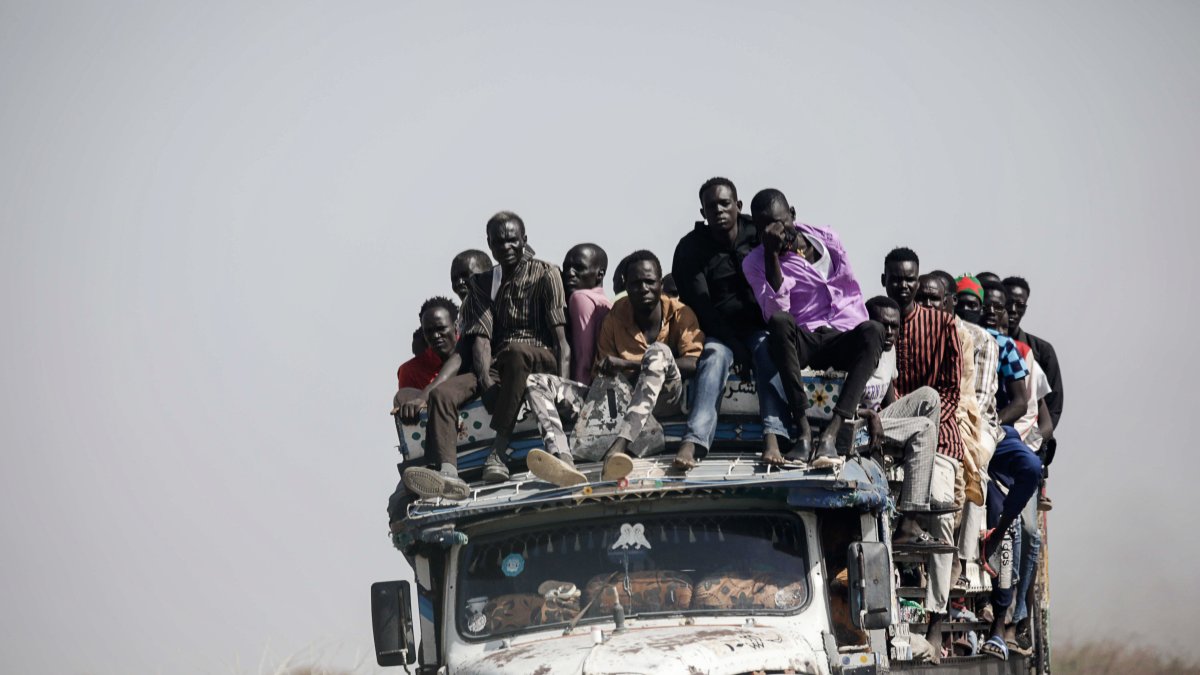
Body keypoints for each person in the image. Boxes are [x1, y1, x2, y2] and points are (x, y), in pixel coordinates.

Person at [402, 212, 569, 499]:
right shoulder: (483, 283)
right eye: (498, 242)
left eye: (512, 240)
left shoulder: (546, 273)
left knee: (517, 353)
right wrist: (486, 383)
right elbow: (480, 340)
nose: (506, 247)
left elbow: (562, 341)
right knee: (442, 394)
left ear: (524, 240)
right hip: (500, 363)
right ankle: (448, 473)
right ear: (489, 245)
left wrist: (564, 388)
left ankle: (498, 451)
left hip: (540, 358)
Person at [524, 251, 703, 486]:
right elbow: (602, 375)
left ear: (660, 283)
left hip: (663, 400)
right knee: (536, 381)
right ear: (625, 286)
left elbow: (693, 362)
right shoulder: (616, 315)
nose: (643, 288)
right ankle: (562, 459)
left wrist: (630, 364)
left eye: (649, 282)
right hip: (619, 402)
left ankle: (619, 448)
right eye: (635, 283)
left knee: (658, 352)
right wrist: (607, 369)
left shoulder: (680, 312)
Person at [742, 188, 882, 470]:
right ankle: (804, 431)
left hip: (842, 333)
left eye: (780, 223)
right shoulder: (755, 262)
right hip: (804, 339)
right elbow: (775, 310)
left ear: (792, 214)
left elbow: (851, 290)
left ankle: (832, 432)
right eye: (765, 228)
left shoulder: (828, 238)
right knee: (779, 322)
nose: (775, 232)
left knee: (874, 330)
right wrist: (772, 255)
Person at [670, 178, 794, 470]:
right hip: (718, 333)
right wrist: (735, 346)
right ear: (703, 212)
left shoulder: (757, 232)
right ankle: (693, 441)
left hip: (760, 327)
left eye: (725, 203)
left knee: (767, 350)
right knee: (713, 357)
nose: (719, 211)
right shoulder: (690, 248)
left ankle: (773, 437)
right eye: (711, 206)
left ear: (738, 205)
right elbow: (700, 306)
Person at [958, 277, 1043, 661]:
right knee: (977, 501)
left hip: (991, 431)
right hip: (957, 429)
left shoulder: (1007, 347)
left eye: (990, 306)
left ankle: (1009, 617)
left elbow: (1025, 403)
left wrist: (989, 427)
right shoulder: (948, 334)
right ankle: (969, 607)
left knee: (1020, 519)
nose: (986, 312)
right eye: (965, 303)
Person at [860, 296, 939, 514]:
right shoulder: (860, 349)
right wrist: (870, 415)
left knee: (929, 396)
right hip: (854, 425)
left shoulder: (889, 350)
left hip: (877, 421)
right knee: (924, 428)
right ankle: (912, 516)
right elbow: (839, 406)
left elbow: (888, 393)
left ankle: (916, 488)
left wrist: (900, 429)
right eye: (883, 325)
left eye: (894, 326)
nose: (889, 332)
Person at [387, 297, 462, 524]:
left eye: (441, 329)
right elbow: (407, 407)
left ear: (456, 326)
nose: (436, 336)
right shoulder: (411, 370)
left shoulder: (471, 352)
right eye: (430, 331)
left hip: (475, 446)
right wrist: (409, 407)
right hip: (432, 454)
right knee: (399, 504)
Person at [562, 244, 612, 386]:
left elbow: (583, 359)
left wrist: (578, 393)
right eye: (566, 268)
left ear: (600, 274)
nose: (570, 273)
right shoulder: (607, 303)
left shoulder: (580, 297)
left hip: (584, 387)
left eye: (579, 267)